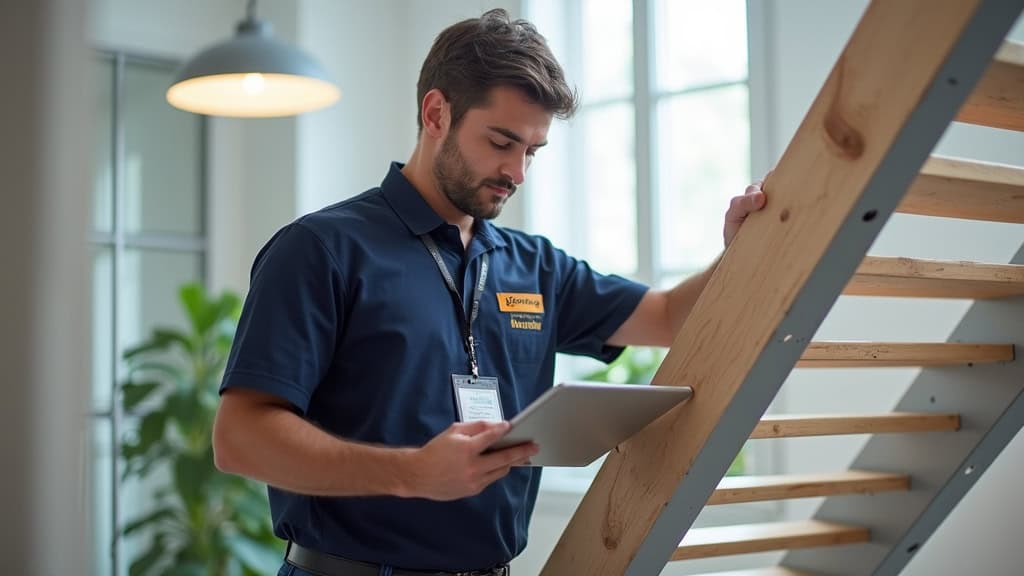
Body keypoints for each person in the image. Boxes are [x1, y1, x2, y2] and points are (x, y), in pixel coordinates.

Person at [212, 8, 766, 576]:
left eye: (532, 150)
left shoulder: (536, 266)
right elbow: (239, 438)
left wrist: (741, 251)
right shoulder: (321, 249)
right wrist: (411, 472)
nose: (518, 171)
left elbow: (670, 316)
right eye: (502, 141)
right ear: (436, 113)